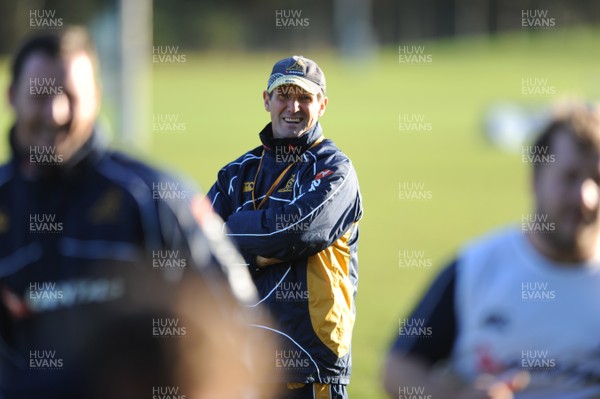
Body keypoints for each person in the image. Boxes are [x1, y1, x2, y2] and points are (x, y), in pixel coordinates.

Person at [0, 27, 257, 398]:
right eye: (40, 96)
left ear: (97, 98)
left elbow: (236, 318)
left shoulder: (155, 197)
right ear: (11, 96)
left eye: (70, 96)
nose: (56, 113)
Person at [382, 104, 600, 398]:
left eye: (597, 179)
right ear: (535, 180)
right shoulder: (475, 267)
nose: (586, 197)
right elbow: (398, 368)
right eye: (570, 177)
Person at [207, 55, 363, 399]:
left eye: (305, 98)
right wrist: (259, 257)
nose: (293, 107)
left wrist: (232, 235)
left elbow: (294, 232)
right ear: (267, 100)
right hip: (244, 362)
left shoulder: (335, 171)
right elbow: (202, 250)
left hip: (311, 364)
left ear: (322, 105)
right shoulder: (236, 174)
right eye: (284, 96)